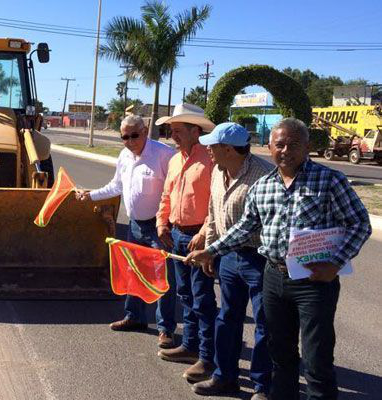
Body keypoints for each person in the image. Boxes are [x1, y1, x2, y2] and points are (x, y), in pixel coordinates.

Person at [188, 118, 372, 400]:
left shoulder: (329, 180)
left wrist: (334, 263)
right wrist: (212, 250)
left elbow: (359, 223)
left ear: (308, 147)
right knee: (280, 354)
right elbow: (245, 227)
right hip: (273, 277)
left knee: (315, 358)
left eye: (293, 144)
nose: (285, 150)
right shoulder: (263, 186)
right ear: (269, 147)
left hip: (313, 281)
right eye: (279, 144)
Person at [188, 122, 273, 399]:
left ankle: (263, 387)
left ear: (227, 148)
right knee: (227, 318)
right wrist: (212, 249)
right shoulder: (217, 171)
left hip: (259, 259)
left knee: (264, 324)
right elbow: (213, 213)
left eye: (212, 146)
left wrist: (213, 250)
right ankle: (225, 377)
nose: (208, 150)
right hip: (227, 257)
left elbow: (251, 226)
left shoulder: (263, 176)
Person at [76, 115, 177, 348]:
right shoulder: (124, 156)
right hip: (135, 225)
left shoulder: (163, 155)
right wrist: (89, 195)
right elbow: (115, 186)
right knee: (134, 272)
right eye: (124, 137)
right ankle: (135, 316)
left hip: (158, 227)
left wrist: (166, 224)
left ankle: (166, 329)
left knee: (162, 279)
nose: (130, 141)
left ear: (145, 131)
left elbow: (173, 191)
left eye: (134, 135)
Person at [153, 103, 217, 383]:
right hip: (176, 234)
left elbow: (217, 203)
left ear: (195, 131)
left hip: (198, 239)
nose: (173, 135)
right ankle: (190, 347)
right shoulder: (175, 159)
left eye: (178, 130)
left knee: (202, 297)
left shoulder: (211, 160)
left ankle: (207, 356)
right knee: (185, 295)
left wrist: (203, 232)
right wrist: (161, 222)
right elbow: (167, 194)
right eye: (171, 130)